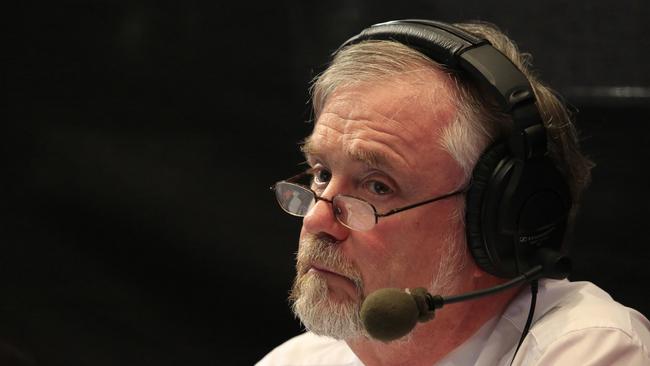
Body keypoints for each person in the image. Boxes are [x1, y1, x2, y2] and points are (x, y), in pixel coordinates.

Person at [258, 19, 650, 366]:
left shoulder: (592, 350)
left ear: (497, 223)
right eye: (323, 174)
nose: (317, 219)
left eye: (378, 186)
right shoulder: (297, 359)